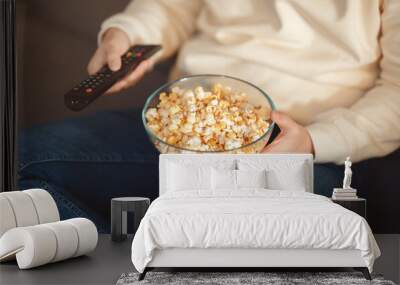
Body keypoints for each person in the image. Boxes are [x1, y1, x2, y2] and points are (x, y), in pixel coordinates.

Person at [19, 1, 400, 232]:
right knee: (18, 161)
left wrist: (314, 142)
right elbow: (173, 7)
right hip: (176, 123)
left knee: (236, 236)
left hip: (296, 143)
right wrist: (129, 32)